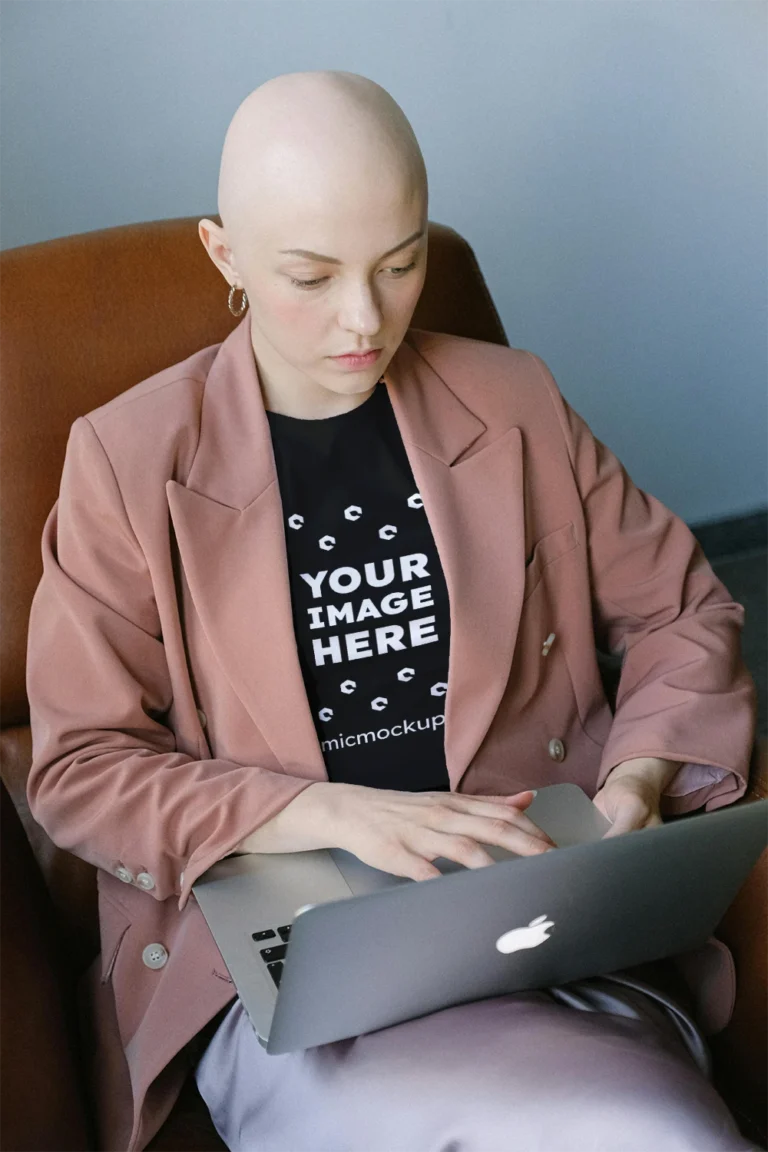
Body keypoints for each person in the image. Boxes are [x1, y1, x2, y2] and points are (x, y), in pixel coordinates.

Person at [25, 71, 758, 1152]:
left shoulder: (515, 402)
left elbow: (684, 614)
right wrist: (336, 813)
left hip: (540, 922)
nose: (364, 320)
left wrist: (637, 782)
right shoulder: (129, 462)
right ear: (224, 255)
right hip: (295, 962)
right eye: (310, 277)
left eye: (401, 262)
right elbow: (79, 767)